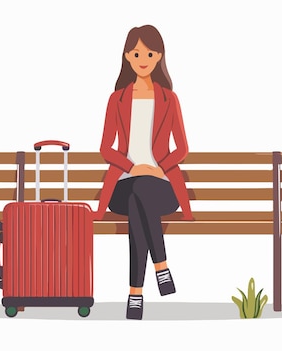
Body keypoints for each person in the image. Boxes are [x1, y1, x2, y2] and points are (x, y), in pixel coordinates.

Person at [94, 24, 194, 320]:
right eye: (136, 52)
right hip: (123, 186)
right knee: (137, 192)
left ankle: (135, 293)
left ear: (159, 56)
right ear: (127, 55)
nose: (143, 58)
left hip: (162, 185)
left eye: (149, 53)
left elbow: (183, 149)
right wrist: (133, 167)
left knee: (143, 198)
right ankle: (161, 267)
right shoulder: (117, 99)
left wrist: (158, 167)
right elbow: (106, 150)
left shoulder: (168, 98)